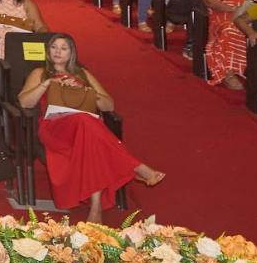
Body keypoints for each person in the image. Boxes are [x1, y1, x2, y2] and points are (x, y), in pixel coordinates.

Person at [17, 34, 164, 223]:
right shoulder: (40, 72)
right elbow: (25, 102)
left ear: (71, 53)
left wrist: (85, 93)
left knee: (90, 135)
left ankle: (96, 207)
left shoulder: (82, 74)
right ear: (48, 51)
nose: (58, 52)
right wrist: (47, 83)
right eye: (54, 47)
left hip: (84, 128)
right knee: (87, 123)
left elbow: (108, 105)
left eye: (63, 48)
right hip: (54, 128)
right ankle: (136, 167)